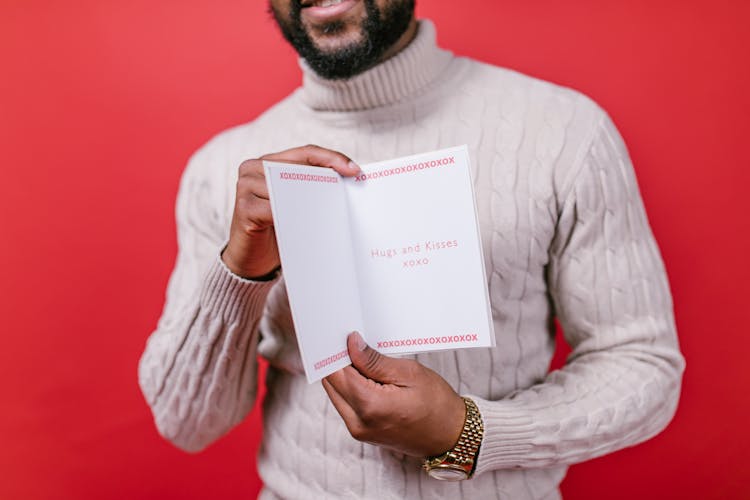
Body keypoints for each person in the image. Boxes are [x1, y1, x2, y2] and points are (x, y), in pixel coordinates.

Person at [138, 1, 685, 498]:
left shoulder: (565, 131)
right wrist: (240, 271)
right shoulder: (224, 169)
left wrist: (468, 433)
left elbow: (643, 365)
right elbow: (185, 423)